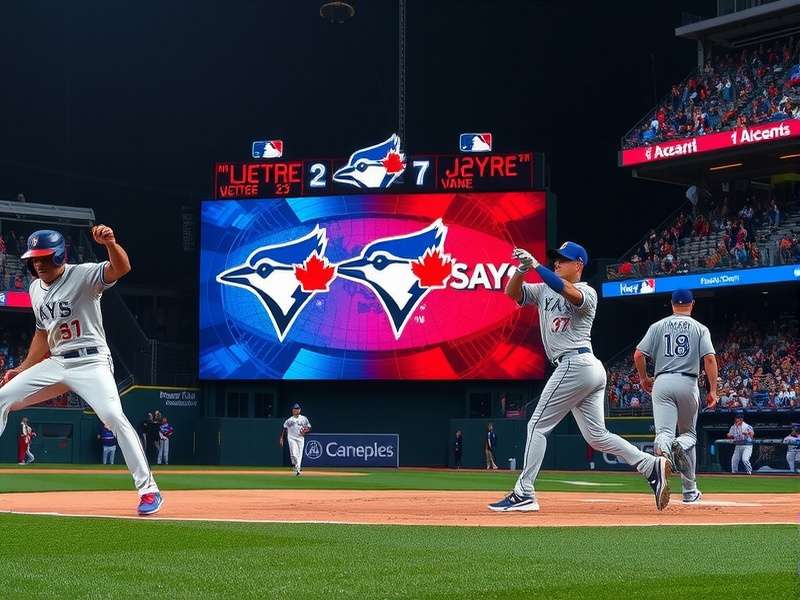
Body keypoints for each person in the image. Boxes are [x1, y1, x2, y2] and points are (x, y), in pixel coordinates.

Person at [489, 242, 671, 513]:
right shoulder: (543, 289)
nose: (556, 262)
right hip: (584, 368)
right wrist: (522, 270)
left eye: (563, 260)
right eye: (555, 259)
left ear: (578, 265)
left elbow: (567, 291)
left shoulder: (587, 292)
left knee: (536, 425)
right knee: (597, 436)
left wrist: (536, 265)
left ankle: (524, 492)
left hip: (576, 363)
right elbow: (512, 293)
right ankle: (649, 465)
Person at [0, 227, 162, 515]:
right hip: (57, 362)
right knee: (3, 397)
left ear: (59, 256)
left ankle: (148, 489)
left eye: (44, 258)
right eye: (34, 259)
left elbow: (121, 268)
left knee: (113, 416)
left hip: (91, 362)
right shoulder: (35, 289)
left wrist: (110, 244)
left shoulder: (83, 274)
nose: (38, 264)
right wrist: (22, 368)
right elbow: (42, 334)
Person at [633, 289, 717, 504]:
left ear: (671, 304)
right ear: (692, 304)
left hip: (662, 381)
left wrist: (643, 378)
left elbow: (639, 354)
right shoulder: (700, 328)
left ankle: (663, 453)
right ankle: (689, 491)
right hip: (687, 382)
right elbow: (709, 359)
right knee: (688, 435)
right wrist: (713, 390)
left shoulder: (657, 326)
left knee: (664, 433)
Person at [279, 403, 311, 475]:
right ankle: (296, 465)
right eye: (295, 409)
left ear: (300, 410)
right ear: (292, 410)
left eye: (297, 409)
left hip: (300, 438)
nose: (296, 410)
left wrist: (305, 431)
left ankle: (298, 468)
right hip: (291, 438)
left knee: (300, 454)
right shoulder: (290, 420)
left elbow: (309, 427)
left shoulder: (304, 418)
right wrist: (281, 438)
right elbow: (284, 428)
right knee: (294, 453)